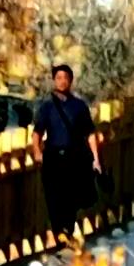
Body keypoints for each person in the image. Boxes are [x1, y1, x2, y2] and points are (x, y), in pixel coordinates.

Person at [34, 63, 101, 226]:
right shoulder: (47, 107)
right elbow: (37, 132)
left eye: (65, 78)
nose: (62, 81)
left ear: (70, 81)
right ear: (54, 81)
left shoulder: (79, 106)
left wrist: (96, 159)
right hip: (54, 156)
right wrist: (37, 151)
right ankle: (59, 231)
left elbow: (90, 134)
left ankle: (68, 230)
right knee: (54, 196)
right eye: (59, 78)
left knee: (71, 197)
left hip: (74, 157)